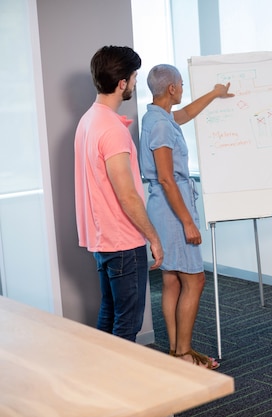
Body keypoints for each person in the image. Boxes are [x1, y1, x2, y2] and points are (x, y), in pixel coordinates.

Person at [139, 64, 234, 369]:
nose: (182, 88)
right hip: (172, 210)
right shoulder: (162, 126)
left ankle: (176, 352)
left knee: (171, 280)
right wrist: (188, 222)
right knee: (195, 280)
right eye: (181, 84)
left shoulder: (156, 116)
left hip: (163, 206)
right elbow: (167, 178)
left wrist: (215, 94)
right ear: (172, 89)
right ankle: (182, 353)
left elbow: (187, 114)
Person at [74, 45, 164, 342]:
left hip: (104, 239)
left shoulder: (88, 120)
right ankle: (119, 387)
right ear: (122, 83)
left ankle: (101, 383)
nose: (136, 83)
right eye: (134, 77)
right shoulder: (111, 129)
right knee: (128, 323)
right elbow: (127, 195)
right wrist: (153, 237)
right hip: (123, 240)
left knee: (110, 313)